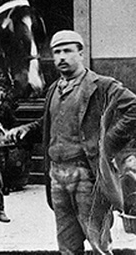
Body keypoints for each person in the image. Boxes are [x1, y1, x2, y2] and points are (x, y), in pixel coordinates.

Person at [7, 30, 136, 254]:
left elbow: (134, 109)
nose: (61, 57)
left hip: (87, 175)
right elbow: (47, 122)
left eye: (68, 51)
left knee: (99, 245)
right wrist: (26, 128)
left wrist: (107, 142)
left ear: (81, 53)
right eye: (57, 52)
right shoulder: (54, 90)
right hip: (57, 176)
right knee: (67, 246)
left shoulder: (102, 86)